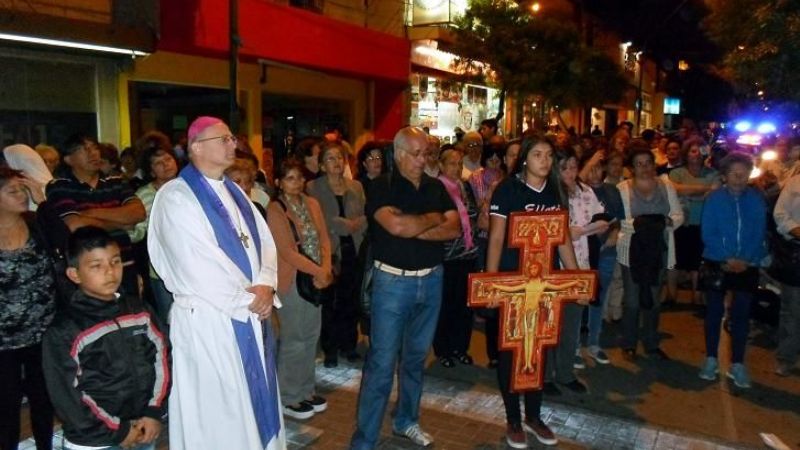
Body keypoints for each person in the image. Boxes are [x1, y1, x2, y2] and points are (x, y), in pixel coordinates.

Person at [148, 116, 285, 449]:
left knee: (249, 403)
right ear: (196, 147)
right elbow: (195, 263)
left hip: (248, 312)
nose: (232, 144)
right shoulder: (176, 197)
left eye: (231, 138)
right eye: (223, 139)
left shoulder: (234, 190)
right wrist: (251, 299)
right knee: (216, 414)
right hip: (210, 319)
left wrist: (266, 285)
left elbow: (263, 242)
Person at [350, 126, 460, 450]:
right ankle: (365, 440)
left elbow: (454, 228)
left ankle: (406, 421)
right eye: (416, 153)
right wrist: (432, 219)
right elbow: (395, 225)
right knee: (381, 363)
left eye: (426, 153)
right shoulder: (381, 187)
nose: (422, 159)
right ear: (398, 154)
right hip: (392, 284)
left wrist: (415, 226)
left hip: (431, 280)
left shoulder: (436, 186)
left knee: (415, 360)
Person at [486, 137, 583, 448]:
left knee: (538, 351)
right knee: (511, 352)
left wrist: (576, 277)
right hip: (513, 284)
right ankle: (513, 418)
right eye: (538, 154)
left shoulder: (555, 191)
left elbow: (564, 238)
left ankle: (534, 415)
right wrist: (490, 282)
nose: (544, 160)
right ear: (525, 159)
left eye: (549, 155)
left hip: (544, 285)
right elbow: (497, 238)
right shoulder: (508, 190)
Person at [42, 226, 170, 450]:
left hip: (142, 425)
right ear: (74, 274)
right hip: (95, 440)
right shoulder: (66, 329)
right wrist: (118, 431)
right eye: (96, 266)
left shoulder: (138, 310)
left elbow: (163, 358)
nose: (110, 272)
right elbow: (67, 395)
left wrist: (153, 411)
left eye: (115, 262)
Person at [267, 157, 333, 418]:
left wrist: (326, 269)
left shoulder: (312, 203)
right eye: (290, 178)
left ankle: (306, 390)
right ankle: (288, 396)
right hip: (293, 281)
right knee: (294, 340)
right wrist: (319, 271)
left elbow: (324, 238)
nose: (297, 183)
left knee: (311, 337)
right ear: (279, 182)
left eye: (300, 178)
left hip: (316, 278)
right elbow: (286, 251)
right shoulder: (275, 208)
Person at [45, 134, 146, 298]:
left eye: (95, 149)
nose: (93, 154)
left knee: (130, 317)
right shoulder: (59, 186)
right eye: (84, 150)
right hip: (89, 274)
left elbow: (138, 213)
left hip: (124, 264)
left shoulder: (116, 181)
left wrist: (90, 213)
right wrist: (122, 223)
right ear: (69, 159)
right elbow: (76, 226)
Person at [698, 153, 767, 388]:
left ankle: (737, 363)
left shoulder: (756, 200)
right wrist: (726, 257)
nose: (739, 178)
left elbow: (759, 232)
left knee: (741, 315)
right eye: (734, 174)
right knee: (714, 313)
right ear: (725, 176)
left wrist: (745, 259)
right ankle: (710, 358)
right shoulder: (714, 199)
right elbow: (708, 232)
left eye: (743, 173)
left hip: (747, 264)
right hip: (719, 262)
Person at [0, 167, 56, 450]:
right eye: (13, 191)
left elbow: (65, 241)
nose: (22, 195)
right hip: (3, 341)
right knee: (6, 405)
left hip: (42, 332)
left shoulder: (36, 222)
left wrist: (42, 199)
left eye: (22, 189)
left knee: (43, 400)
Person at [616, 146, 683, 361]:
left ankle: (651, 342)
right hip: (631, 251)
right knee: (633, 299)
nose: (644, 168)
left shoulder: (666, 186)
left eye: (648, 163)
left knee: (654, 298)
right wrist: (645, 224)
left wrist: (665, 223)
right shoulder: (623, 189)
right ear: (632, 168)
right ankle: (629, 342)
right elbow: (621, 222)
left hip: (659, 249)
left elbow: (677, 215)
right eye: (639, 164)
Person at [307, 142, 366, 368]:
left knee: (350, 301)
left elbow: (366, 214)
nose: (337, 162)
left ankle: (349, 345)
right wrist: (345, 224)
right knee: (330, 303)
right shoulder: (314, 187)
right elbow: (320, 218)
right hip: (330, 251)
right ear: (322, 165)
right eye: (330, 158)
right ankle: (330, 349)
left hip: (354, 248)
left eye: (340, 158)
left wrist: (357, 223)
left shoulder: (356, 186)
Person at [559, 149, 608, 375]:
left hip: (584, 257)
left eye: (573, 167)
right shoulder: (553, 192)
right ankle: (561, 356)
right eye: (564, 168)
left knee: (578, 308)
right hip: (558, 262)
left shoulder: (585, 191)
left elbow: (603, 220)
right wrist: (568, 232)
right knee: (560, 312)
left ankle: (574, 349)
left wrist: (581, 230)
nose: (570, 172)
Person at [433, 148, 479, 368]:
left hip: (468, 254)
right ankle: (443, 350)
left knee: (464, 306)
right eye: (452, 163)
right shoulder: (436, 188)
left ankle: (461, 348)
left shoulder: (465, 186)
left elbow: (474, 215)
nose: (457, 168)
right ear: (441, 165)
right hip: (446, 256)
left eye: (460, 163)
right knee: (446, 306)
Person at [128, 144, 180, 323]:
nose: (166, 164)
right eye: (158, 163)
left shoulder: (186, 188)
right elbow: (136, 234)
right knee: (170, 322)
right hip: (161, 271)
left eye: (168, 159)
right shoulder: (145, 195)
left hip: (189, 267)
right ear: (151, 171)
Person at [668, 143, 720, 305]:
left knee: (698, 260)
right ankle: (671, 294)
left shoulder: (713, 173)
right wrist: (703, 189)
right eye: (692, 150)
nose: (696, 154)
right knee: (674, 259)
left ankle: (696, 295)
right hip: (680, 221)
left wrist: (687, 192)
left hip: (703, 221)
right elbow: (674, 189)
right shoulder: (677, 172)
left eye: (700, 150)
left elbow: (714, 192)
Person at [773, 174, 800, 377]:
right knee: (792, 309)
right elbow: (780, 215)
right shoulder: (795, 183)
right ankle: (787, 357)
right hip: (796, 254)